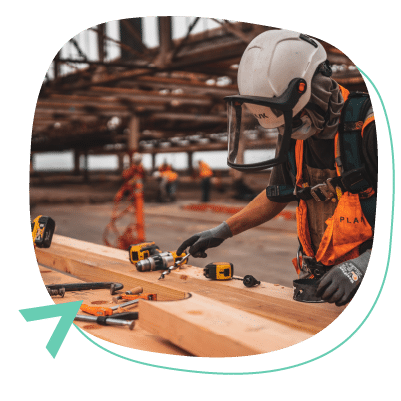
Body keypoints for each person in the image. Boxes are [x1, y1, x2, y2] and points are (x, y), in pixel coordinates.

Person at [177, 29, 377, 307]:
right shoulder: (297, 136)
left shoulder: (370, 128)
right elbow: (277, 195)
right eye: (284, 124)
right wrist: (222, 231)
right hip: (325, 281)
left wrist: (364, 265)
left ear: (315, 87)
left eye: (293, 120)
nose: (289, 130)